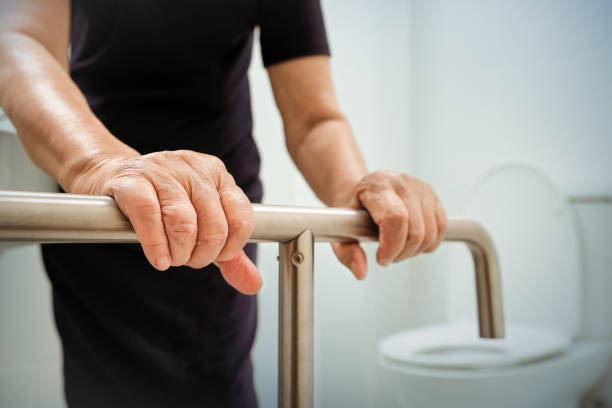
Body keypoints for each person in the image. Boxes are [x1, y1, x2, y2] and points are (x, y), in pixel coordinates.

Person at [0, 0, 447, 406]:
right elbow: (19, 38)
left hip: (218, 223)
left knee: (216, 386)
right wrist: (99, 162)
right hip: (100, 207)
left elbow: (314, 118)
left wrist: (349, 185)